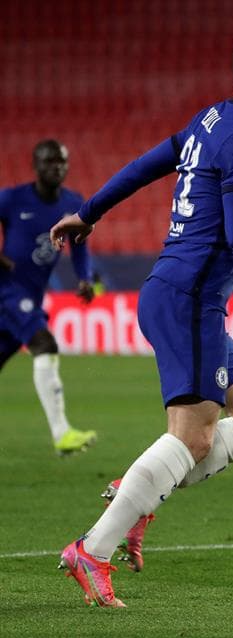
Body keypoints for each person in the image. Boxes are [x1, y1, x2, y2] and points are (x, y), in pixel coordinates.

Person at [52, 20, 233, 607]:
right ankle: (93, 549)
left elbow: (153, 160)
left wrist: (90, 211)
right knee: (194, 439)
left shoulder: (212, 120)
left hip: (181, 296)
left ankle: (138, 491)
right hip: (190, 301)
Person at [0, 140, 98, 455]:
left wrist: (84, 278)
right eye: (49, 161)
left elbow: (80, 245)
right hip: (7, 290)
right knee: (44, 343)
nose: (56, 166)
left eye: (61, 161)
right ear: (35, 165)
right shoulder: (12, 199)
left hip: (29, 294)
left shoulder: (72, 204)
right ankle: (61, 433)